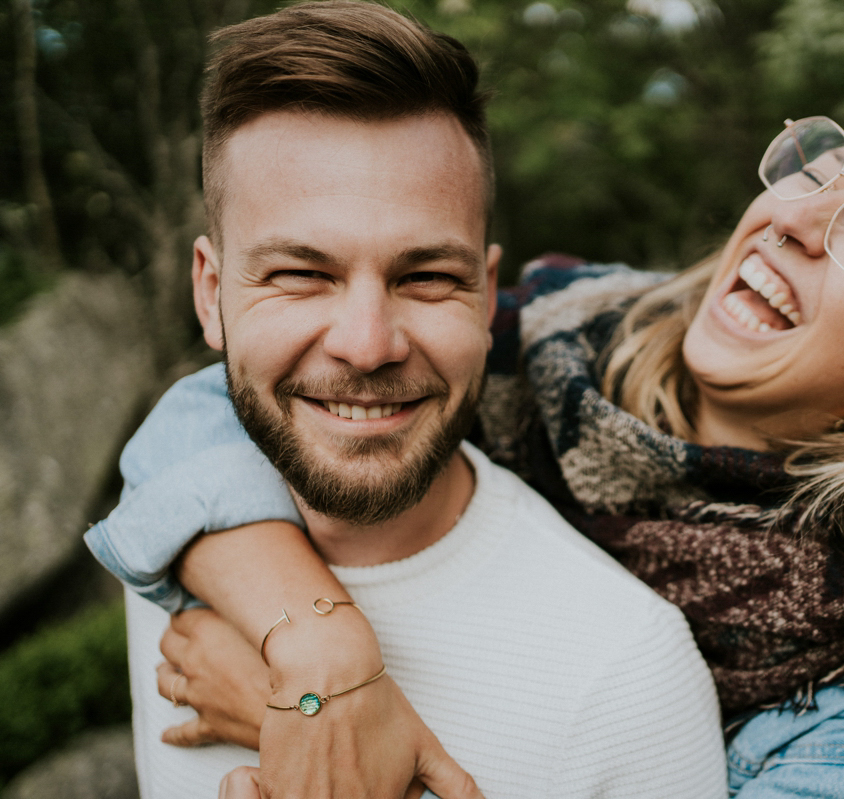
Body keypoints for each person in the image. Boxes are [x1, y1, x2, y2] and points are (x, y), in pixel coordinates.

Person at [90, 41, 844, 799]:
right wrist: (316, 648)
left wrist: (325, 734)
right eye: (828, 172)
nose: (800, 217)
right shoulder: (551, 337)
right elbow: (230, 405)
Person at [83, 3, 729, 798]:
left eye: (426, 277)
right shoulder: (173, 520)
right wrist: (322, 652)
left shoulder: (629, 677)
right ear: (211, 293)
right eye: (300, 274)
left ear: (489, 297)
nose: (366, 342)